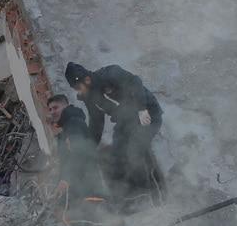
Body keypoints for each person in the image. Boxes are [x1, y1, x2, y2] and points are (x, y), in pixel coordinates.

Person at [64, 62, 165, 205]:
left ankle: (152, 197)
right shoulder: (90, 97)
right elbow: (96, 123)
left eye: (78, 87)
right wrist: (87, 147)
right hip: (126, 122)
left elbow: (135, 82)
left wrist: (142, 108)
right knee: (117, 153)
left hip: (148, 114)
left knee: (136, 151)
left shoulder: (110, 73)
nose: (78, 92)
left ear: (86, 80)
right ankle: (130, 196)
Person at [47, 93, 106, 217]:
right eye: (50, 109)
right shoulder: (67, 127)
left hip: (86, 187)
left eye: (56, 107)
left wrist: (65, 179)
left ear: (66, 106)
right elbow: (67, 160)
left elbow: (80, 154)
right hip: (78, 188)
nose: (52, 112)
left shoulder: (74, 123)